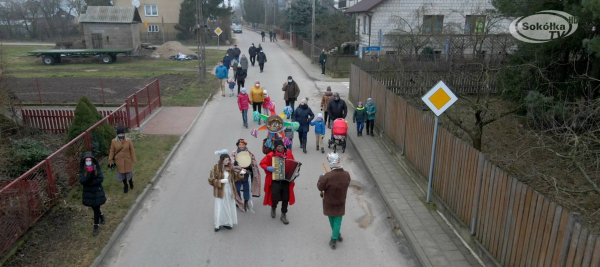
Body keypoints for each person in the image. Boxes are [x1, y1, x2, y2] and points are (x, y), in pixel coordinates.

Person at [317, 152, 351, 250]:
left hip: (329, 202)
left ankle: (334, 239)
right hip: (340, 201)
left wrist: (321, 178)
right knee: (337, 221)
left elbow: (320, 187)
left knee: (331, 218)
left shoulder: (327, 176)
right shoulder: (346, 174)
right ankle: (337, 234)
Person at [260, 139, 298, 225]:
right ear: (275, 147)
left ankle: (283, 214)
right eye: (278, 146)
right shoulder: (271, 155)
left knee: (286, 198)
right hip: (275, 180)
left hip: (286, 181)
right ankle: (273, 207)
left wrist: (295, 173)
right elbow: (262, 163)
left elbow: (294, 164)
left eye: (280, 146)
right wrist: (267, 168)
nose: (279, 148)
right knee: (274, 197)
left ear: (283, 146)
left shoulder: (288, 153)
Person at [208, 150, 245, 232]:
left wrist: (240, 174)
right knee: (221, 207)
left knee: (228, 206)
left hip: (229, 190)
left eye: (228, 160)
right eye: (226, 160)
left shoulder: (230, 168)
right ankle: (218, 224)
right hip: (220, 191)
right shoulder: (215, 168)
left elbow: (235, 178)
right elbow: (210, 180)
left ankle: (227, 223)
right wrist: (220, 181)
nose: (228, 162)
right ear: (222, 160)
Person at [80, 152, 106, 237]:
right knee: (94, 208)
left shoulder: (96, 167)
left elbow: (101, 178)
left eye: (89, 160)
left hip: (97, 191)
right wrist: (89, 176)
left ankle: (95, 226)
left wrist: (90, 182)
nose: (88, 162)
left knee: (96, 208)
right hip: (89, 193)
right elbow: (82, 181)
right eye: (86, 160)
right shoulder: (82, 169)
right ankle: (101, 216)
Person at [231, 139, 262, 212]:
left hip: (246, 174)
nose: (241, 146)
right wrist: (235, 163)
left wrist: (251, 164)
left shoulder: (249, 153)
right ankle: (239, 200)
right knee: (237, 188)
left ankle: (246, 202)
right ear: (237, 145)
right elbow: (231, 162)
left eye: (243, 144)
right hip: (237, 173)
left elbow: (254, 161)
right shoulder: (234, 153)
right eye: (240, 145)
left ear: (245, 145)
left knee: (246, 188)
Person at [109, 128, 137, 193]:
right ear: (117, 134)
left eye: (122, 134)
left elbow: (131, 150)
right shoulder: (114, 141)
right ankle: (125, 185)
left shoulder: (128, 140)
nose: (121, 135)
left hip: (127, 159)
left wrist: (133, 159)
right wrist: (110, 160)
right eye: (119, 134)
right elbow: (112, 151)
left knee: (128, 172)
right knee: (122, 173)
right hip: (119, 160)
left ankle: (130, 182)